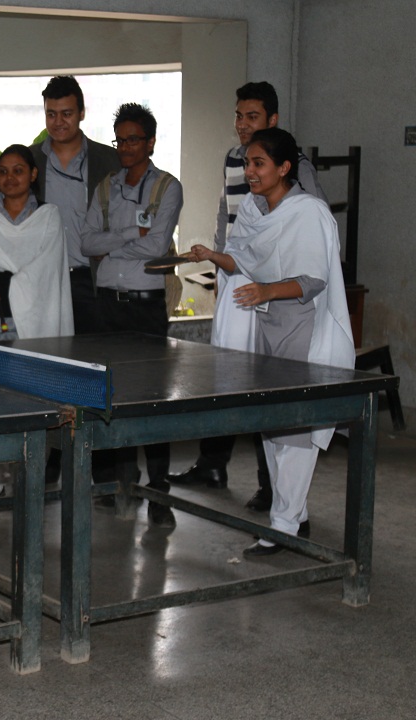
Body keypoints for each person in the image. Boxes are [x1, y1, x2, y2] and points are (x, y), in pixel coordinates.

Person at [185, 127, 354, 555]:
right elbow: (243, 259)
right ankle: (290, 518)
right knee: (271, 428)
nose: (250, 172)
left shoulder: (308, 212)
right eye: (247, 163)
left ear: (283, 167)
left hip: (303, 326)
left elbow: (312, 280)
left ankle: (281, 528)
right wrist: (211, 255)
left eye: (259, 163)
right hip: (267, 324)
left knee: (294, 431)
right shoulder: (257, 211)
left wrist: (265, 291)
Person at [168, 81, 329, 513]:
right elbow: (232, 223)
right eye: (238, 116)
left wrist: (268, 285)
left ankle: (281, 502)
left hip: (283, 299)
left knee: (285, 411)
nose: (241, 125)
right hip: (247, 286)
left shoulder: (299, 187)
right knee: (242, 384)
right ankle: (223, 468)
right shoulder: (234, 163)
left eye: (251, 117)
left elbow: (303, 249)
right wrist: (222, 263)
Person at [82, 103, 183, 528]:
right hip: (107, 304)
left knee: (152, 400)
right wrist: (128, 236)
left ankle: (159, 494)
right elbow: (87, 243)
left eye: (133, 140)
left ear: (151, 142)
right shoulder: (106, 186)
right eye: (119, 140)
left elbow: (157, 245)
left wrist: (115, 244)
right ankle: (119, 484)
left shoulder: (167, 188)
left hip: (144, 308)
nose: (125, 148)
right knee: (108, 397)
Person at [0, 144, 74, 497]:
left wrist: (1, 285)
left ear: (33, 175)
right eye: (3, 171)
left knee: (32, 397)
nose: (9, 178)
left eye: (18, 170)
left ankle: (29, 469)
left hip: (35, 320)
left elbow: (44, 269)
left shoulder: (49, 217)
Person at [31, 75, 120, 334]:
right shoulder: (31, 160)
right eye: (51, 114)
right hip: (44, 279)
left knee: (96, 357)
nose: (58, 122)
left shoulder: (109, 160)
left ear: (82, 113)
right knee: (49, 359)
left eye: (66, 113)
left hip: (91, 279)